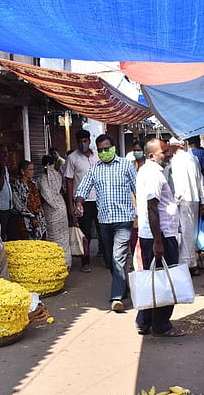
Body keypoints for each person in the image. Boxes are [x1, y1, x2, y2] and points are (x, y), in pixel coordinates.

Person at [74, 134, 138, 313]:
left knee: (118, 256)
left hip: (123, 219)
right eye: (100, 150)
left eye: (106, 149)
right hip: (104, 220)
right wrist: (79, 202)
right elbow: (83, 188)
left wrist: (143, 213)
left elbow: (138, 188)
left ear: (113, 148)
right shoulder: (95, 169)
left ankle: (116, 297)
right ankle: (123, 286)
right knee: (110, 259)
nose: (104, 152)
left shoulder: (126, 165)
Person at [134, 138, 186, 337]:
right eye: (163, 151)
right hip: (160, 235)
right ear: (151, 156)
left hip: (154, 234)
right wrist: (158, 240)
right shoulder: (153, 174)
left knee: (152, 278)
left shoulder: (148, 171)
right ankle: (161, 324)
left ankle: (144, 321)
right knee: (164, 279)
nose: (168, 153)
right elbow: (152, 207)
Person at [167, 139, 204, 275]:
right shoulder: (193, 158)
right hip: (194, 199)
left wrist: (175, 201)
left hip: (182, 201)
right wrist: (203, 201)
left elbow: (176, 183)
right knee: (191, 233)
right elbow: (200, 180)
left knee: (183, 233)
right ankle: (192, 263)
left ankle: (186, 265)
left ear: (176, 146)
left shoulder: (176, 161)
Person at [65, 129, 102, 272]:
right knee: (85, 232)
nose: (82, 144)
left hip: (99, 198)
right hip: (82, 201)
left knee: (102, 229)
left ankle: (105, 256)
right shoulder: (72, 158)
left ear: (89, 141)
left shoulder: (98, 156)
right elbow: (69, 182)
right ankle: (85, 261)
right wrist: (71, 205)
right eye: (79, 142)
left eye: (85, 141)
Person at [37, 155, 72, 267]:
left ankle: (56, 264)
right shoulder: (58, 175)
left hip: (51, 210)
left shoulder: (42, 178)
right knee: (63, 237)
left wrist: (54, 205)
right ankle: (66, 262)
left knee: (53, 237)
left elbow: (47, 196)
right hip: (61, 206)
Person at [11, 159, 47, 240]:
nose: (32, 172)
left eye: (33, 169)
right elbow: (18, 204)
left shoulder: (33, 183)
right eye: (30, 170)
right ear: (23, 171)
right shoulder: (18, 185)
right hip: (25, 220)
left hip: (39, 218)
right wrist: (32, 217)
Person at [187, 135, 204, 200]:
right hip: (203, 187)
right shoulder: (202, 153)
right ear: (198, 142)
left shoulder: (186, 154)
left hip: (190, 189)